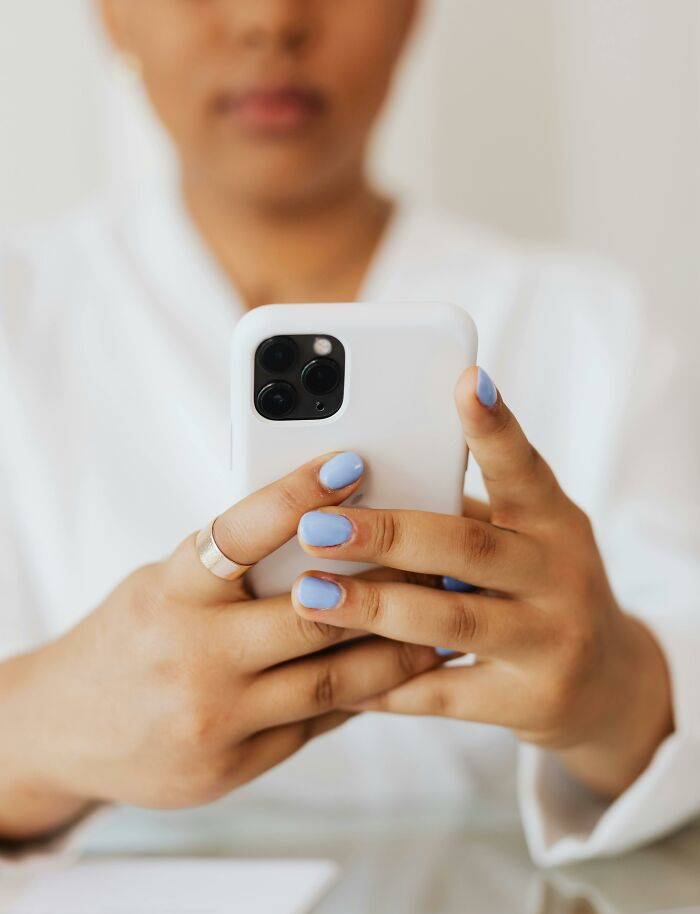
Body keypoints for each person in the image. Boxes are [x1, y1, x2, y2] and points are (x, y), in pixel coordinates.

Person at [0, 0, 698, 867]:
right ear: (112, 15)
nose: (271, 19)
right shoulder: (16, 314)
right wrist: (42, 721)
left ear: (412, 13)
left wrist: (616, 690)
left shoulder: (593, 330)